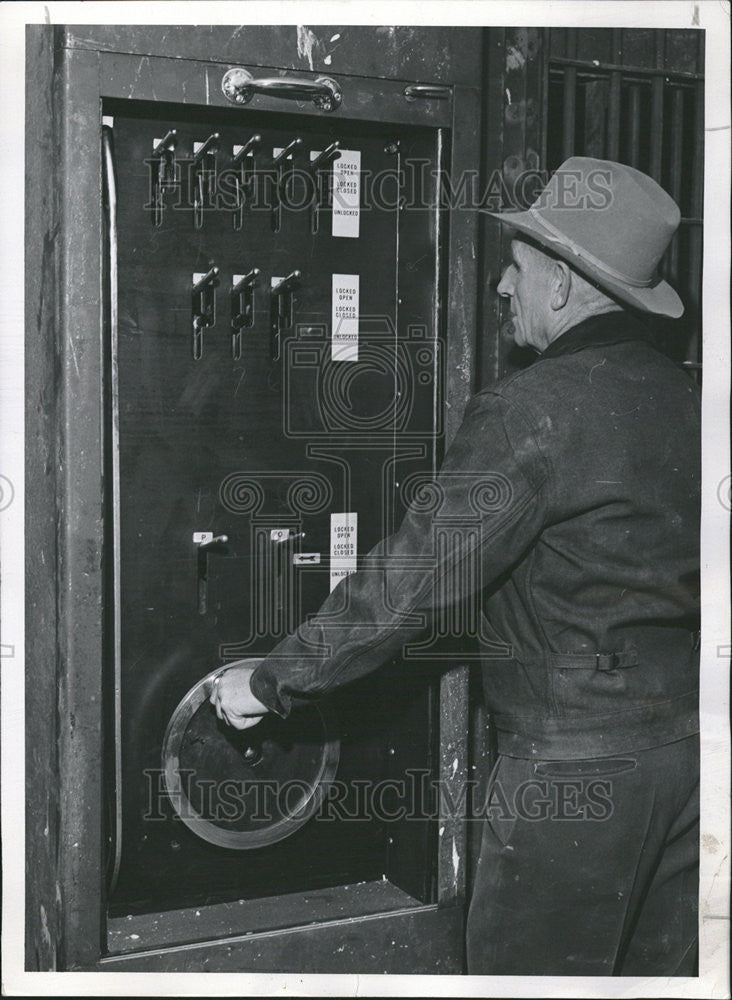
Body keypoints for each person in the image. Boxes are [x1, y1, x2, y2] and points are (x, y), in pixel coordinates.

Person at [210, 157, 701, 976]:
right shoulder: (688, 400)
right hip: (689, 764)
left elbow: (411, 584)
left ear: (560, 283)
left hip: (572, 780)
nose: (502, 288)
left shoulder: (532, 412)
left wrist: (270, 680)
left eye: (516, 266)